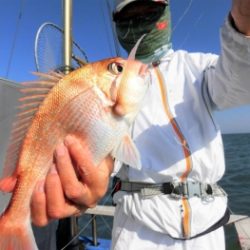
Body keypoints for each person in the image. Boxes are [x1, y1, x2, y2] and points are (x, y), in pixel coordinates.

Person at [30, 0, 250, 249]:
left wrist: (243, 21)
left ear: (164, 11)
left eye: (148, 11)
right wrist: (91, 173)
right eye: (129, 17)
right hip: (137, 230)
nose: (139, 21)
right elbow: (104, 140)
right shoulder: (109, 81)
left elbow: (240, 81)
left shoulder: (198, 67)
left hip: (208, 229)